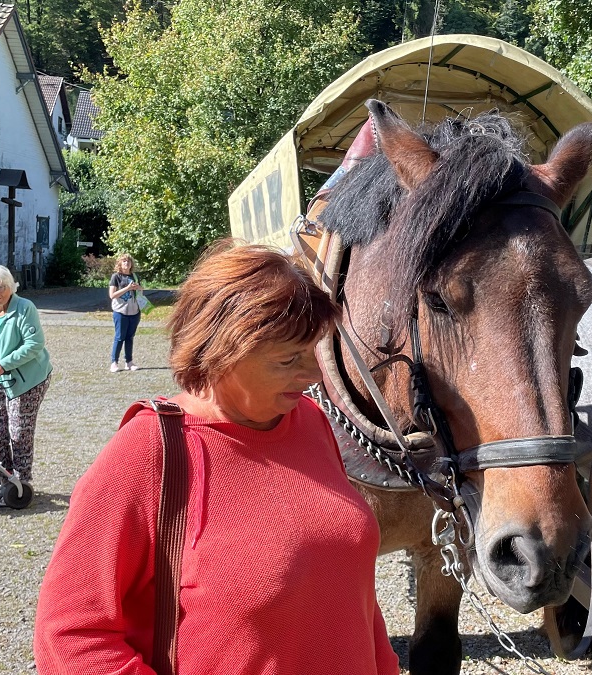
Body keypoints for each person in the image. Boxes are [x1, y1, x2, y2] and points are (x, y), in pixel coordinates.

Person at [34, 243, 399, 675]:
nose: (315, 375)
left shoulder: (314, 423)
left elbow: (348, 589)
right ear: (221, 351)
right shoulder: (149, 450)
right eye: (288, 359)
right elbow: (69, 634)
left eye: (314, 351)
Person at [0, 265, 52, 505]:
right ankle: (6, 478)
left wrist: (3, 364)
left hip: (27, 379)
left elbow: (35, 343)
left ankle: (21, 482)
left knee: (19, 432)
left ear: (10, 287)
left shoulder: (24, 308)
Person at [108, 253, 144, 372]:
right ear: (120, 263)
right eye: (124, 261)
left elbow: (141, 291)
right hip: (120, 311)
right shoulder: (116, 277)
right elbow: (112, 295)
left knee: (130, 337)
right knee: (119, 337)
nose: (126, 263)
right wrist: (127, 288)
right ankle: (114, 362)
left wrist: (138, 288)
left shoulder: (135, 276)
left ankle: (129, 362)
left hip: (134, 311)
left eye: (128, 261)